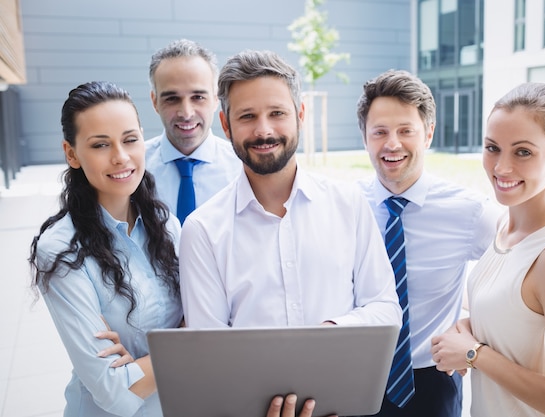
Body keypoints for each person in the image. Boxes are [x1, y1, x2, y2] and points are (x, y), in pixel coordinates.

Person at [179, 49, 401, 331]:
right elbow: (209, 347)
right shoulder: (202, 230)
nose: (264, 130)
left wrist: (333, 330)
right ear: (225, 125)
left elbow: (385, 309)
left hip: (341, 376)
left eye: (277, 113)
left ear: (300, 115)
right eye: (247, 116)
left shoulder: (349, 204)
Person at [431, 82, 545, 417]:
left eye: (523, 152)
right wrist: (469, 327)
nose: (501, 167)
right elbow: (517, 321)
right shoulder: (504, 228)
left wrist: (474, 354)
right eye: (493, 148)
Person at [29, 81, 183, 416]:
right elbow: (113, 390)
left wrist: (141, 365)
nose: (121, 157)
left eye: (130, 139)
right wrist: (185, 345)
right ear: (71, 153)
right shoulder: (61, 249)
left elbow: (207, 321)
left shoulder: (168, 226)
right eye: (100, 145)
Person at [355, 69, 501, 417]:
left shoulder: (469, 211)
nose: (392, 144)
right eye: (380, 132)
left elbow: (521, 267)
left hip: (434, 380)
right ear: (365, 137)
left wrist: (474, 330)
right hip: (356, 377)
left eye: (406, 131)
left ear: (428, 134)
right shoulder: (346, 207)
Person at [145, 38, 241, 223]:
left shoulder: (243, 170)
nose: (186, 113)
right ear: (154, 101)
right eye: (172, 99)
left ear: (215, 98)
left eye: (198, 97)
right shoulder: (133, 169)